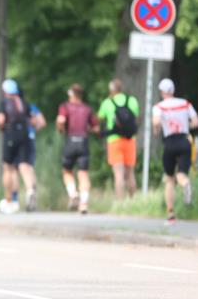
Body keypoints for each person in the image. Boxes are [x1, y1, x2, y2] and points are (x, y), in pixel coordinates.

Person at [151, 78, 198, 225]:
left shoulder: (159, 106)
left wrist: (156, 128)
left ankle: (171, 214)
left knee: (169, 179)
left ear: (162, 92)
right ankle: (186, 184)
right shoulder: (185, 103)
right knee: (182, 174)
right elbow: (197, 122)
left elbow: (156, 122)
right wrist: (184, 126)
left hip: (170, 142)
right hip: (185, 140)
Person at [56, 83, 100, 214]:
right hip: (84, 142)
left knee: (67, 170)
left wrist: (61, 130)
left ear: (71, 95)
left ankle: (73, 193)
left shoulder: (65, 107)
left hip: (71, 141)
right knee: (83, 173)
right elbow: (96, 128)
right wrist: (90, 130)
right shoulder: (87, 109)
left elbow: (61, 120)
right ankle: (84, 204)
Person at [0, 79, 36, 214]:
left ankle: (10, 199)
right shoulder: (24, 103)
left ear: (6, 91)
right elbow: (34, 121)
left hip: (10, 135)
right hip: (25, 135)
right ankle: (30, 190)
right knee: (24, 166)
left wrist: (1, 126)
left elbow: (0, 120)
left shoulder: (4, 103)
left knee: (8, 168)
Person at [98, 78, 140, 201]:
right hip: (130, 140)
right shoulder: (132, 100)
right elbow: (136, 119)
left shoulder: (107, 102)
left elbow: (100, 118)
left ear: (111, 90)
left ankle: (120, 203)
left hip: (114, 140)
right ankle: (132, 201)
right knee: (130, 172)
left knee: (118, 174)